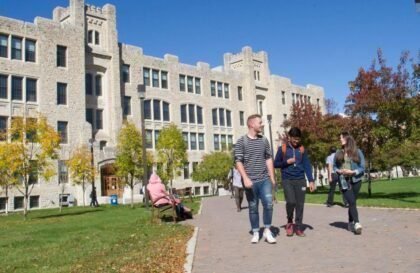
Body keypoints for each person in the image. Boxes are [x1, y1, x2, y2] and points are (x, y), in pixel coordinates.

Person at [234, 114, 276, 244]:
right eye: (260, 122)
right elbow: (238, 161)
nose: (262, 124)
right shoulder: (241, 141)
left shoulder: (264, 140)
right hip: (250, 181)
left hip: (264, 179)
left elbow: (268, 158)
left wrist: (272, 177)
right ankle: (256, 232)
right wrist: (245, 178)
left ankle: (267, 230)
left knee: (268, 204)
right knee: (253, 207)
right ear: (252, 124)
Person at [274, 127, 315, 237]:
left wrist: (311, 180)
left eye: (298, 139)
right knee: (291, 202)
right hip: (287, 179)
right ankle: (290, 221)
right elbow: (275, 164)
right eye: (294, 139)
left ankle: (298, 226)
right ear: (289, 137)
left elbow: (307, 165)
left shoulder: (302, 149)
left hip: (300, 179)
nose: (296, 141)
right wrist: (286, 162)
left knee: (300, 204)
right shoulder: (282, 148)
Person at [333, 132, 365, 235]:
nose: (340, 140)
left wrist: (353, 172)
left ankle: (350, 222)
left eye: (341, 138)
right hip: (343, 181)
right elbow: (334, 166)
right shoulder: (338, 152)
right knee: (351, 202)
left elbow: (362, 167)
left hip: (356, 180)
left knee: (353, 203)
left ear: (347, 138)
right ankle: (357, 223)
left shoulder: (357, 151)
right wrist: (339, 171)